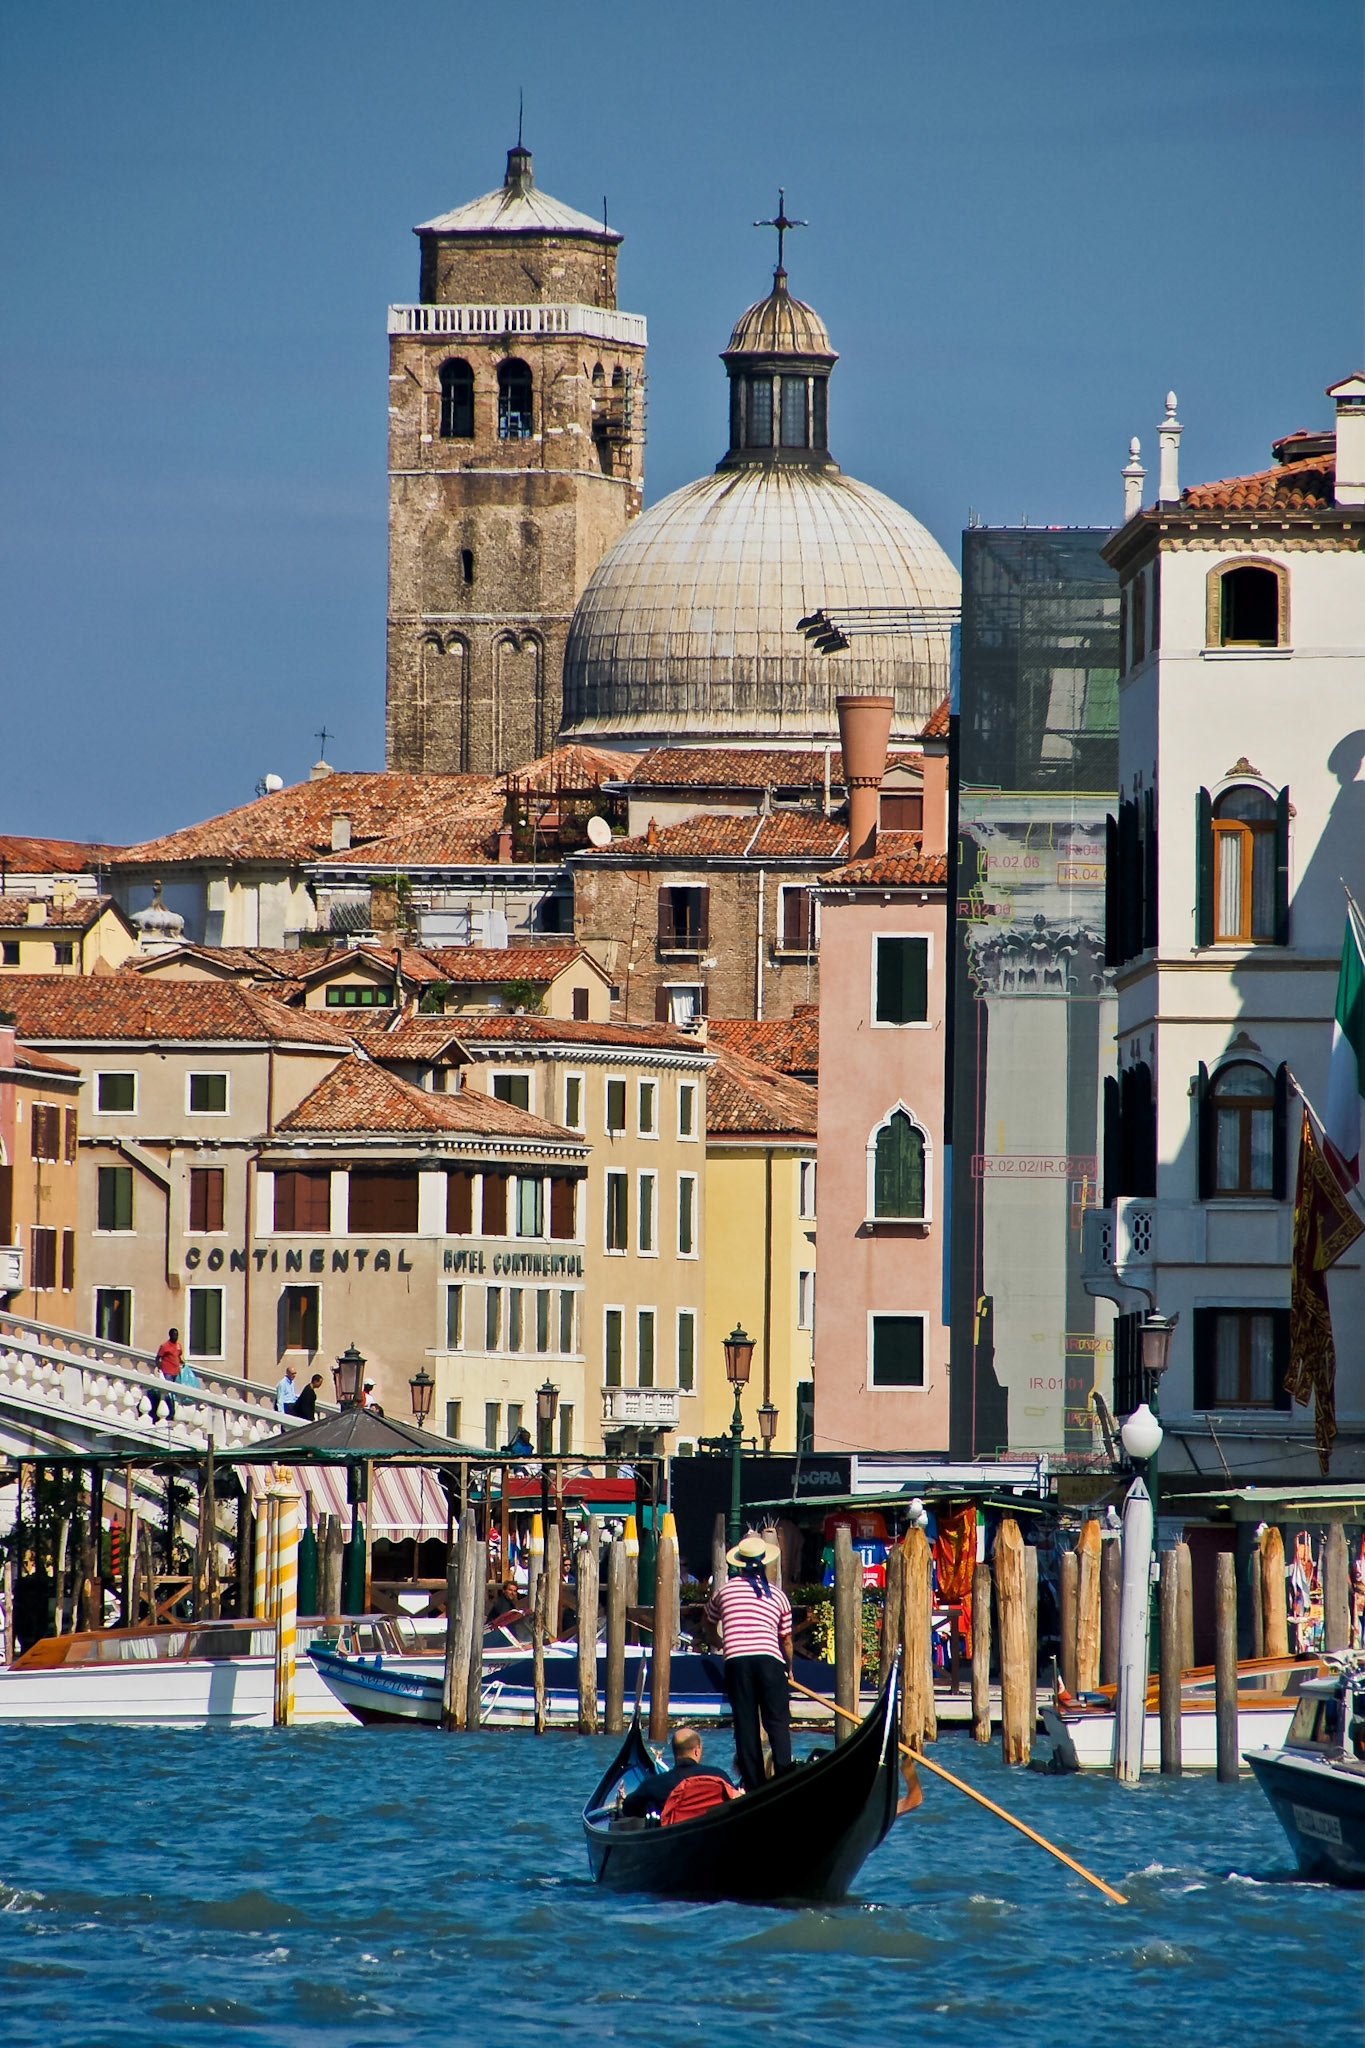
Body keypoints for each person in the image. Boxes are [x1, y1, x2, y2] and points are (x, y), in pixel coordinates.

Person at [704, 1532, 794, 1791]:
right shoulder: (778, 1596)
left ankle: (755, 1785)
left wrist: (719, 1642)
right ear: (764, 1561)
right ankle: (785, 1777)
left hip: (737, 1662)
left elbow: (707, 1623)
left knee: (745, 1723)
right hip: (769, 1661)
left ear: (739, 1562)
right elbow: (785, 1639)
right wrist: (789, 1669)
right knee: (777, 1721)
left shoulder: (723, 1592)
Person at [620, 1726, 739, 1821]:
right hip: (715, 1840)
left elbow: (628, 1809)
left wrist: (621, 1802)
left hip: (676, 1844)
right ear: (697, 1751)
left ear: (674, 1752)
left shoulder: (654, 1784)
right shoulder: (719, 1776)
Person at [151, 1328, 182, 1422]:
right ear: (170, 1335)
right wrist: (160, 1368)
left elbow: (179, 1356)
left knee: (174, 1394)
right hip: (167, 1372)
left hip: (176, 1372)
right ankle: (167, 1412)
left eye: (177, 1335)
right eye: (173, 1335)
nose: (175, 1337)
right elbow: (158, 1358)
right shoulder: (165, 1346)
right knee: (167, 1393)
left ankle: (173, 1412)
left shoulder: (178, 1346)